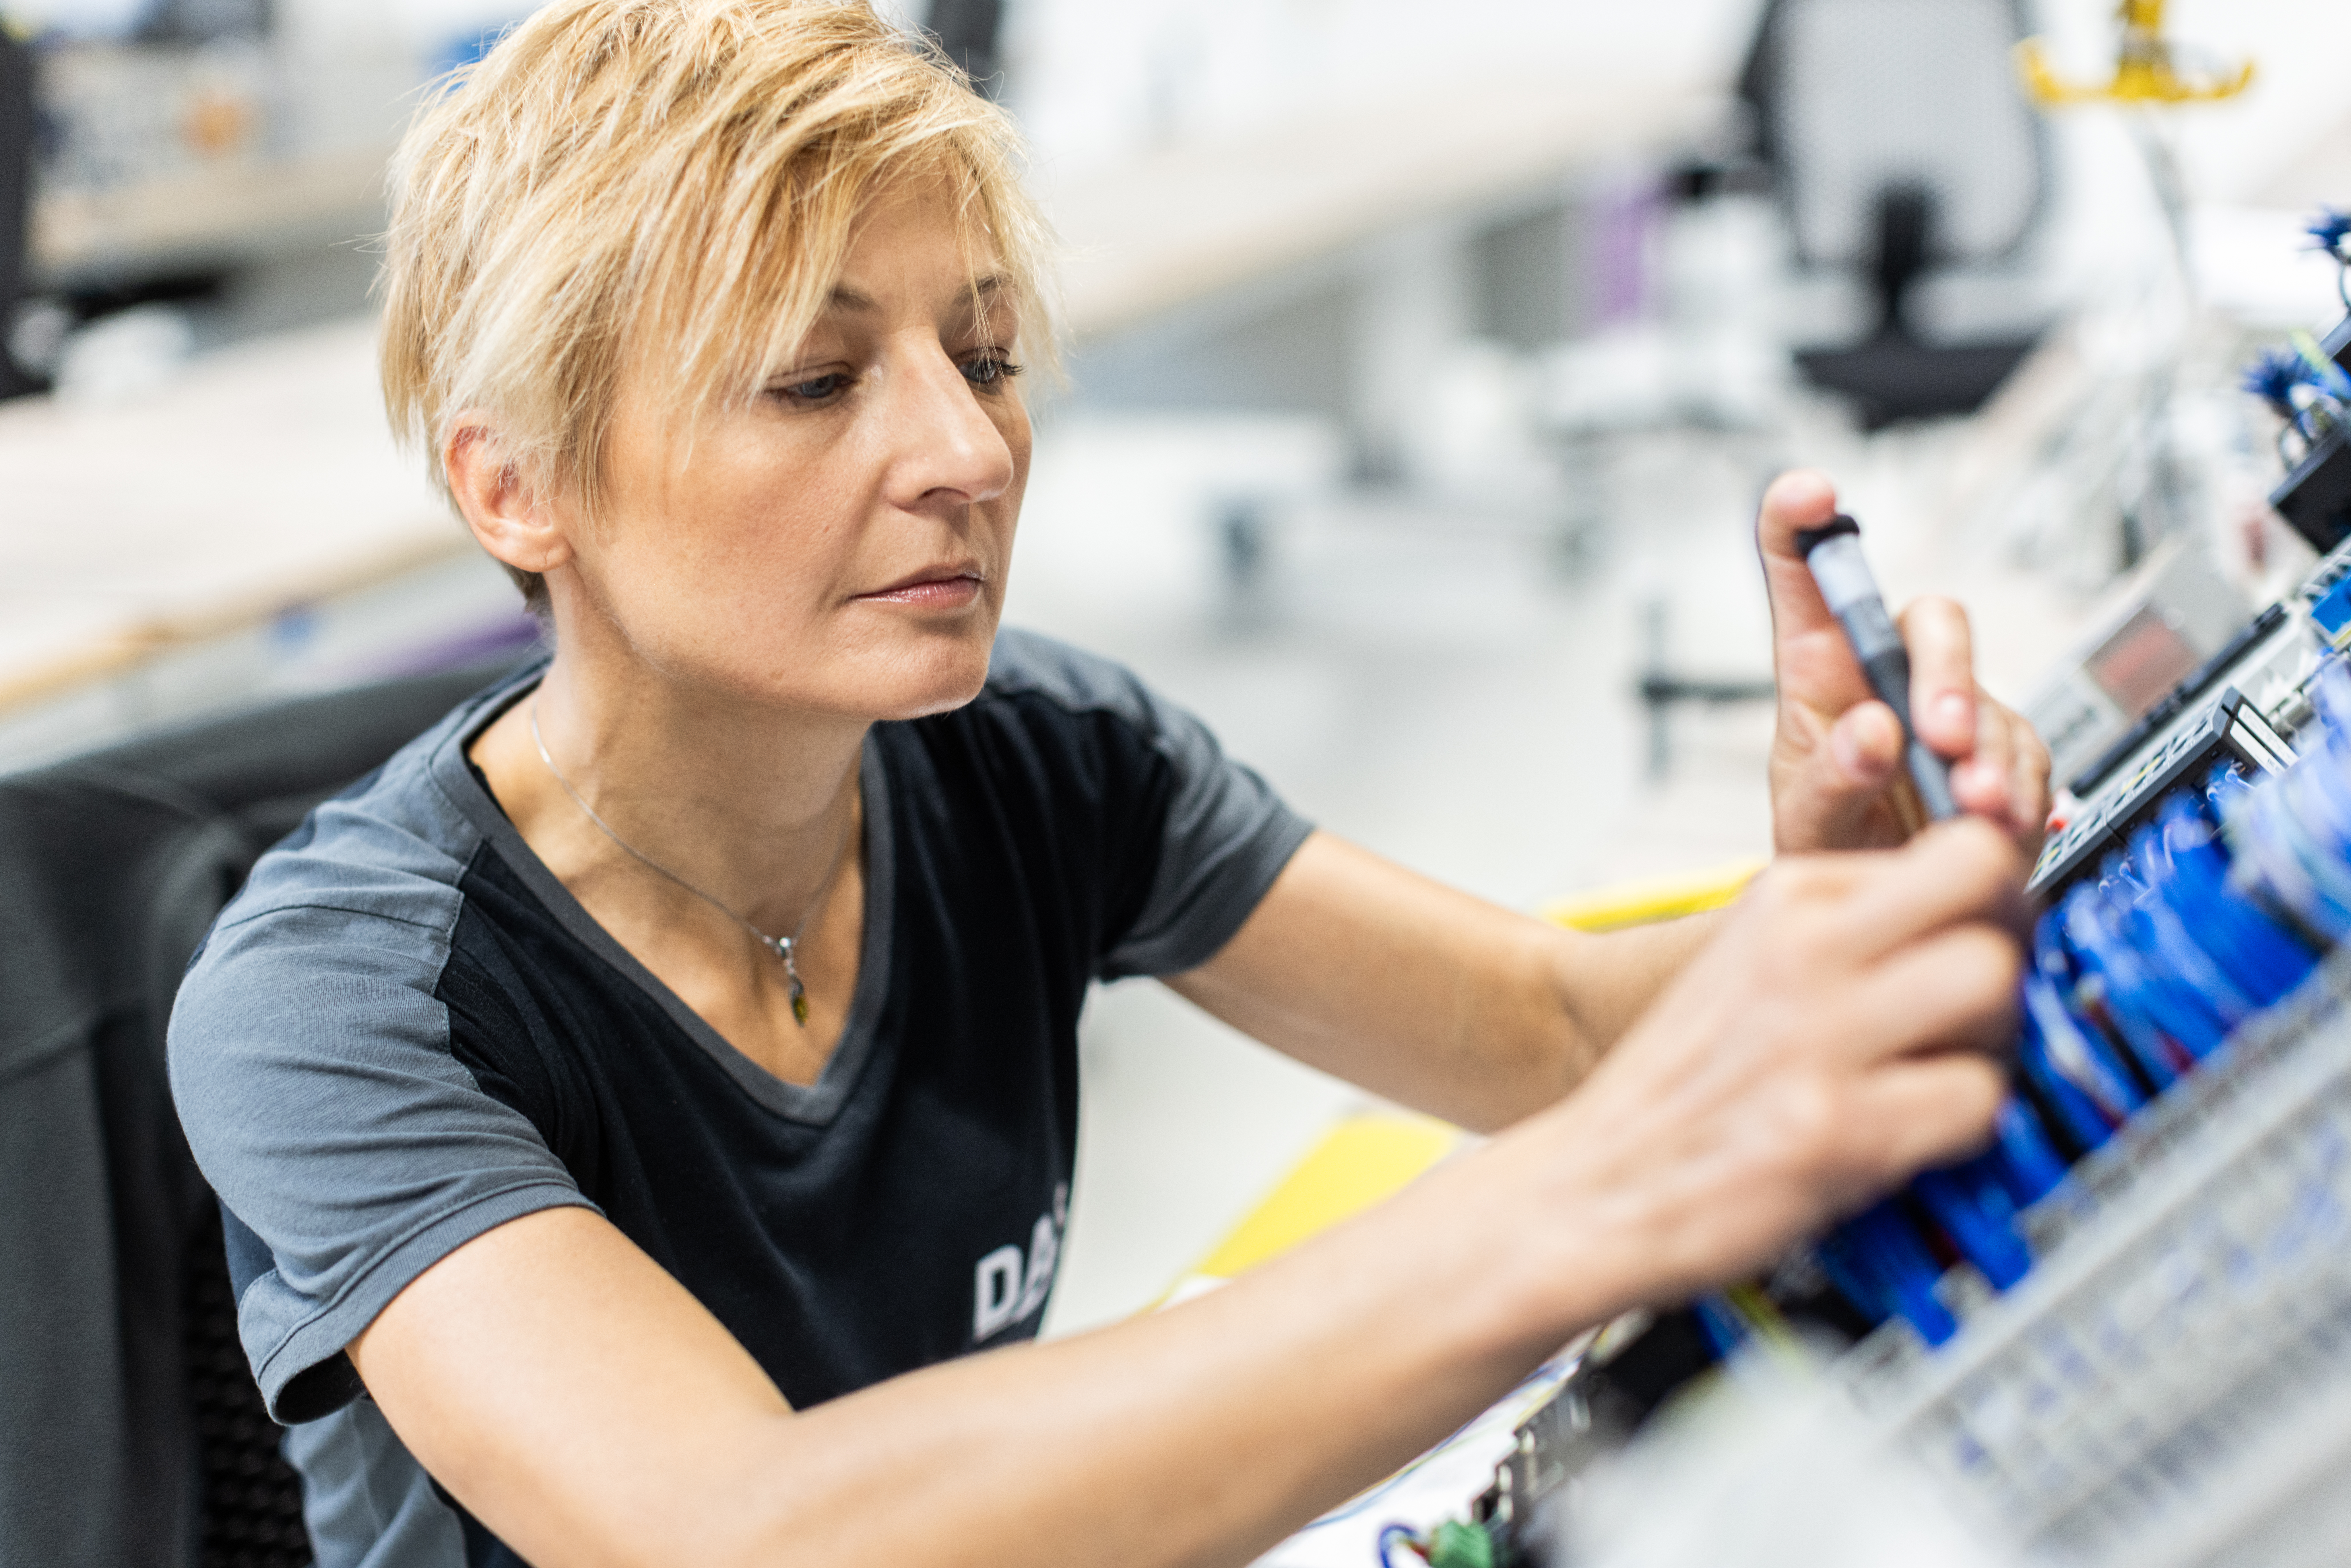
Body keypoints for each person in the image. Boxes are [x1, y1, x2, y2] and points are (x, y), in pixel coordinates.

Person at [166, 3, 2053, 1565]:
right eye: (816, 380)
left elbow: (1548, 1032)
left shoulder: (1037, 755)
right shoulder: (336, 1003)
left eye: (984, 353)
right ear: (515, 485)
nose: (969, 449)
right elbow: (742, 1531)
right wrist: (1595, 1201)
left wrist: (1840, 902)